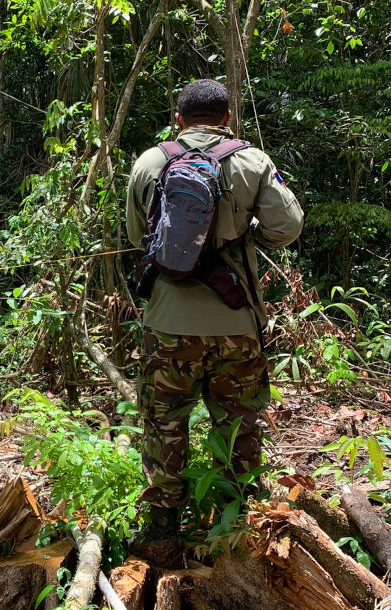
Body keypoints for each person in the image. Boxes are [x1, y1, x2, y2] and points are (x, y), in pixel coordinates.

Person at [126, 79, 304, 541]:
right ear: (227, 118)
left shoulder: (150, 161)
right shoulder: (251, 160)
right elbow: (289, 225)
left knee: (164, 422)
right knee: (240, 421)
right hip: (236, 321)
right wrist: (246, 238)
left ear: (178, 119)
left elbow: (134, 237)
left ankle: (163, 531)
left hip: (167, 324)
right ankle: (238, 523)